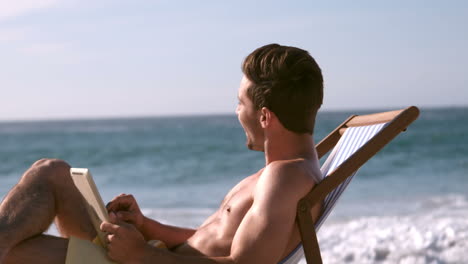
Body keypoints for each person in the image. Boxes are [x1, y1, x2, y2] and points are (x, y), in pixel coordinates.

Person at [0, 43, 324, 264]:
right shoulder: (284, 174)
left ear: (265, 117)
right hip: (152, 257)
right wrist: (146, 227)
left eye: (241, 103)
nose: (237, 112)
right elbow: (210, 240)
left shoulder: (284, 177)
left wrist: (141, 255)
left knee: (14, 248)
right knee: (53, 171)